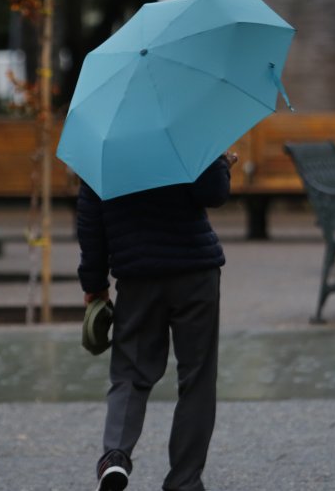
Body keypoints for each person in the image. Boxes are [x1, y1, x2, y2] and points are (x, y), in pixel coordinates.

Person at [76, 150, 238, 491]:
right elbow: (213, 193)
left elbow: (90, 219)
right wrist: (221, 163)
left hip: (138, 276)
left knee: (130, 373)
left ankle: (115, 458)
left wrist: (94, 284)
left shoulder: (103, 142)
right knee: (197, 378)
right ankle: (184, 480)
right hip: (194, 271)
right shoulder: (184, 127)